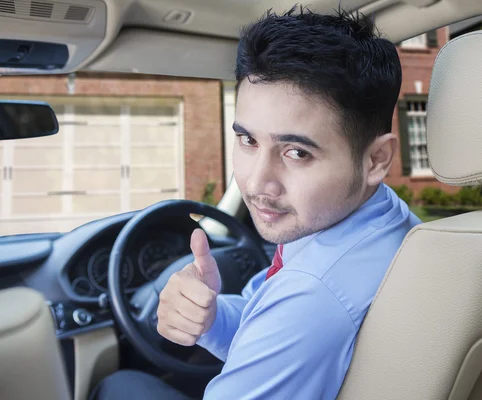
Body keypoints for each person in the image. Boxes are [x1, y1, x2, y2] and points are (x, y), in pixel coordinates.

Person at [91, 6, 421, 400]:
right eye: (248, 140)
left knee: (119, 385)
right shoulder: (383, 216)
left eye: (297, 152)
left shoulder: (311, 295)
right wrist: (212, 318)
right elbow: (266, 324)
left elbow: (295, 315)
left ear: (376, 160)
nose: (256, 181)